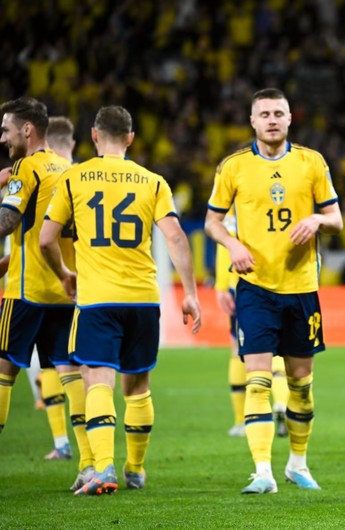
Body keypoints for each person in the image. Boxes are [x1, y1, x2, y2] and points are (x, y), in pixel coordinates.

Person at [39, 105, 201, 495]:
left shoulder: (74, 177)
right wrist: (191, 294)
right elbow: (176, 238)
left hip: (98, 299)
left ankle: (104, 468)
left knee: (98, 380)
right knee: (138, 385)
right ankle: (136, 468)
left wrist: (64, 274)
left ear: (94, 135)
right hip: (143, 298)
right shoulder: (153, 181)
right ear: (130, 138)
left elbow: (46, 239)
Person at [205, 88, 342, 494]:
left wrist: (317, 221)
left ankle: (297, 464)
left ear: (289, 119)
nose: (271, 120)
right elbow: (212, 222)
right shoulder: (233, 166)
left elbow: (336, 219)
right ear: (252, 121)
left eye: (278, 113)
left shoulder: (311, 162)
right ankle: (262, 471)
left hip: (301, 288)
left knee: (300, 385)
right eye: (264, 114)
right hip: (255, 288)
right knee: (259, 380)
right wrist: (232, 245)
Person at [0, 98, 91, 489]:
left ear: (27, 130)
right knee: (71, 374)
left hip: (27, 291)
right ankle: (89, 464)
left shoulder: (26, 167)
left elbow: (7, 222)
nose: (1, 138)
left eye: (5, 130)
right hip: (65, 291)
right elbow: (43, 227)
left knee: (3, 370)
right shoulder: (66, 169)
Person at [215, 213, 290, 439]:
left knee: (239, 350)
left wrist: (221, 286)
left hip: (245, 285)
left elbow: (225, 246)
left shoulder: (236, 206)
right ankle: (281, 403)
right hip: (285, 283)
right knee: (280, 349)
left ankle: (241, 421)